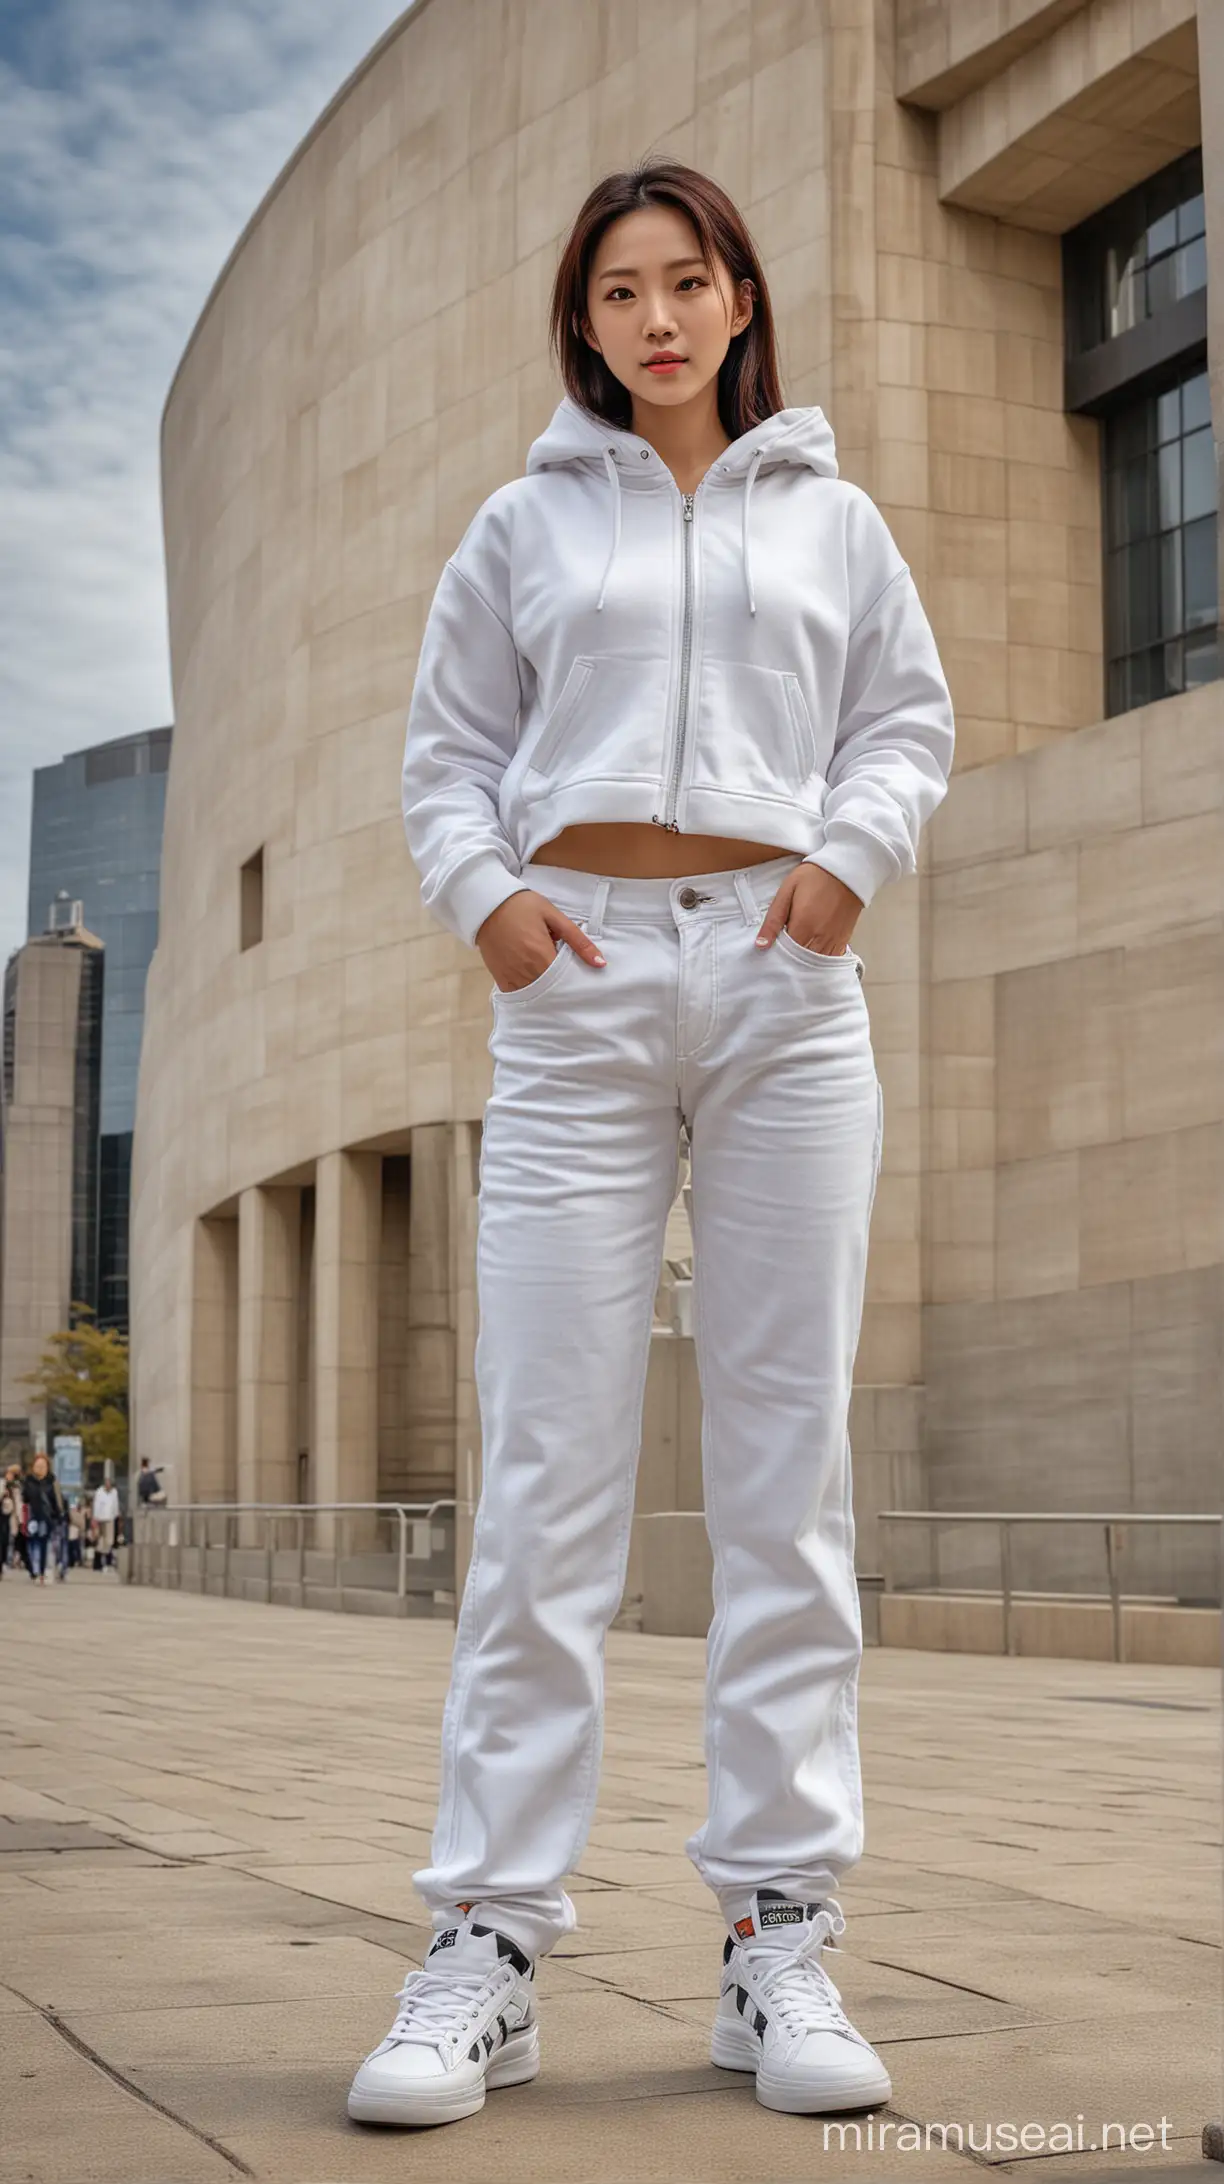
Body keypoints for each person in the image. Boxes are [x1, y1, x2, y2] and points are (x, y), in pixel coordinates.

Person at [349, 160, 954, 2133]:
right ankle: (489, 1949)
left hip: (786, 997)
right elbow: (444, 752)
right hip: (579, 1003)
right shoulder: (524, 524)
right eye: (622, 292)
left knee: (789, 1478)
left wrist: (849, 870)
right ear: (585, 325)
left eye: (687, 281)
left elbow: (905, 725)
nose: (660, 318)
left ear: (738, 296)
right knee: (545, 1479)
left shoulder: (836, 519)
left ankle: (779, 1937)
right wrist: (492, 907)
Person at [22, 1454, 66, 1586]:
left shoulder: (52, 1482)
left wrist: (59, 1515)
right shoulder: (28, 1481)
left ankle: (42, 1572)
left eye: (43, 1466)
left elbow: (57, 1501)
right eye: (37, 1466)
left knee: (44, 1545)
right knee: (32, 1545)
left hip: (47, 1518)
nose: (40, 1468)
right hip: (32, 1518)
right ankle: (36, 1571)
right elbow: (24, 1500)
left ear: (48, 1468)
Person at [91, 1476, 120, 1569]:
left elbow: (115, 1505)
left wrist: (116, 1516)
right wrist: (95, 1518)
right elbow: (96, 1505)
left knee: (109, 1541)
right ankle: (98, 1562)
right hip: (100, 1518)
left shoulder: (114, 1492)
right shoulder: (99, 1492)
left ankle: (108, 1561)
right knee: (100, 1540)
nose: (108, 1486)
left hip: (110, 1518)